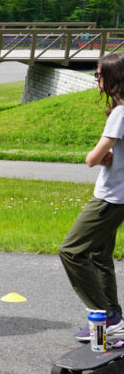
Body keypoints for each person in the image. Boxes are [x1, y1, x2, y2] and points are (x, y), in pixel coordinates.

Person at [60, 53, 124, 342]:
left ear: (111, 77)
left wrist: (98, 157)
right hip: (119, 196)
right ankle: (115, 317)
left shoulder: (120, 113)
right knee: (99, 256)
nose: (96, 80)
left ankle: (104, 315)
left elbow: (92, 158)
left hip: (110, 197)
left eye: (98, 75)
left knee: (71, 251)